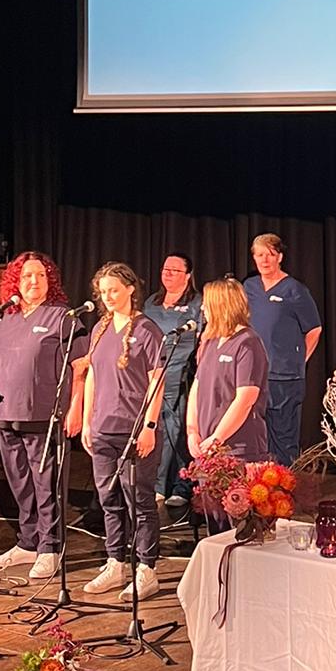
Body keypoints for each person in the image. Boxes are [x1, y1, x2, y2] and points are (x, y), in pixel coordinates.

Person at [0, 252, 90, 579]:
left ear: (49, 280)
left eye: (40, 276)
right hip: (4, 411)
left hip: (44, 414)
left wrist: (76, 407)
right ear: (16, 280)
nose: (33, 282)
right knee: (19, 481)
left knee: (46, 483)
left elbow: (80, 367)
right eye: (27, 276)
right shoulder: (1, 317)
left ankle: (50, 547)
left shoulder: (63, 317)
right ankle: (28, 542)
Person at [80, 262, 165, 602]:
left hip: (134, 429)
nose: (108, 297)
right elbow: (92, 378)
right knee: (108, 499)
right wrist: (87, 421)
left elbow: (157, 382)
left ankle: (147, 568)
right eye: (103, 292)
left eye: (114, 290)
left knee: (139, 500)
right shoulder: (99, 329)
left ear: (130, 289)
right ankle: (115, 561)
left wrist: (149, 426)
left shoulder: (147, 330)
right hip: (103, 428)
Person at [243, 233, 321, 466]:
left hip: (284, 377)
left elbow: (314, 329)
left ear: (280, 257)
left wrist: (299, 360)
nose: (265, 260)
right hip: (253, 376)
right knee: (255, 437)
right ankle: (257, 492)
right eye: (260, 255)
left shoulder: (295, 290)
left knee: (284, 439)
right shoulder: (249, 287)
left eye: (270, 254)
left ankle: (282, 494)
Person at [142, 252, 203, 511]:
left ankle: (181, 485)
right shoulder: (152, 303)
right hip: (152, 375)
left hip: (181, 375)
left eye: (174, 270)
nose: (167, 274)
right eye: (165, 269)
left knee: (176, 432)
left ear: (187, 276)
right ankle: (156, 484)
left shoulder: (197, 303)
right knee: (155, 429)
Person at [187, 278, 268, 464]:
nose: (202, 309)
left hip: (237, 449)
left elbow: (245, 399)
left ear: (221, 306)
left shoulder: (248, 343)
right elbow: (196, 388)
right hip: (205, 447)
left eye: (206, 304)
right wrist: (192, 431)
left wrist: (217, 438)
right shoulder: (211, 341)